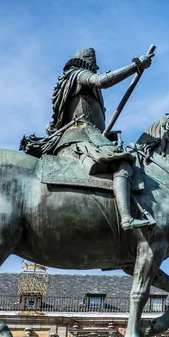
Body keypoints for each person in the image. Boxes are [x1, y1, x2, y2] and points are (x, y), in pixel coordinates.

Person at [45, 48, 154, 230]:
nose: (94, 71)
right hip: (82, 136)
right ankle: (127, 218)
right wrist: (136, 65)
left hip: (80, 136)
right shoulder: (78, 75)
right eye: (92, 67)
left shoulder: (68, 84)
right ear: (85, 64)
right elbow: (103, 81)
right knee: (123, 164)